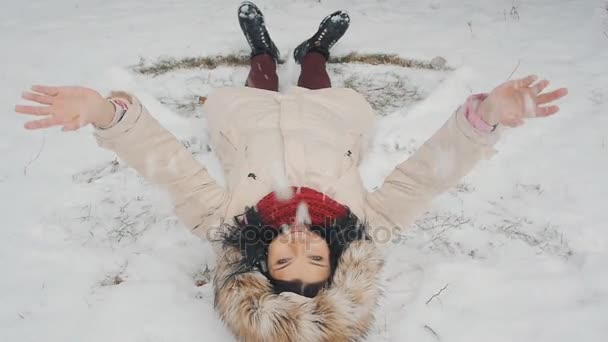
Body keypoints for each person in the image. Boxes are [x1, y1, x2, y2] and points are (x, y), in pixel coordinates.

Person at [14, 1, 568, 341]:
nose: (299, 240)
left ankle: (262, 52)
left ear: (261, 258)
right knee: (316, 87)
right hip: (330, 124)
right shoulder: (367, 226)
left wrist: (107, 116)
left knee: (256, 89)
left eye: (283, 257)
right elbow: (426, 175)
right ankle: (313, 53)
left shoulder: (227, 222)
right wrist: (485, 120)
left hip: (250, 126)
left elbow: (171, 168)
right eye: (314, 254)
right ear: (334, 255)